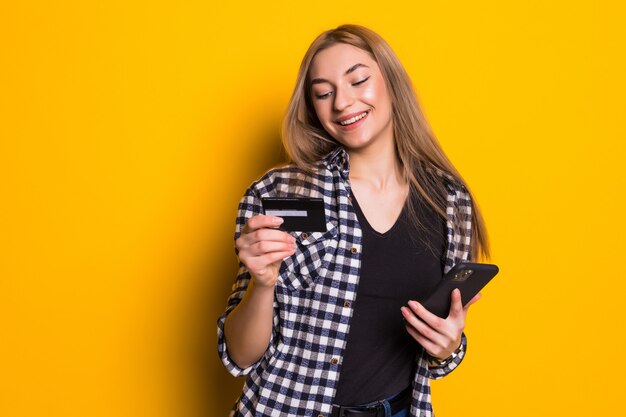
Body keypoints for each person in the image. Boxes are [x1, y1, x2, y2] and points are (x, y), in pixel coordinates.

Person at [217, 24, 490, 417]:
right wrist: (262, 284)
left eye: (358, 80)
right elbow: (240, 355)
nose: (342, 103)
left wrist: (448, 347)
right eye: (324, 93)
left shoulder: (449, 201)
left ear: (392, 84)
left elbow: (441, 347)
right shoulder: (278, 192)